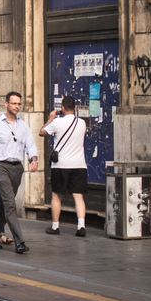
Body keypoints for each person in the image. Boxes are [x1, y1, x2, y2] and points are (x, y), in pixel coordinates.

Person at [0, 92, 34, 254]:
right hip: (1, 167)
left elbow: (30, 144)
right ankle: (20, 241)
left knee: (6, 204)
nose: (17, 106)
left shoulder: (23, 125)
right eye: (14, 103)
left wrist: (34, 158)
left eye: (19, 103)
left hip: (17, 168)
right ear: (6, 104)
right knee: (10, 204)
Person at [41, 95, 89, 236]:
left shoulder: (57, 122)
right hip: (79, 164)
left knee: (56, 195)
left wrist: (50, 118)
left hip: (60, 165)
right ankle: (81, 226)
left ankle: (55, 227)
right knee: (78, 196)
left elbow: (41, 132)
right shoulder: (81, 123)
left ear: (62, 108)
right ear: (75, 108)